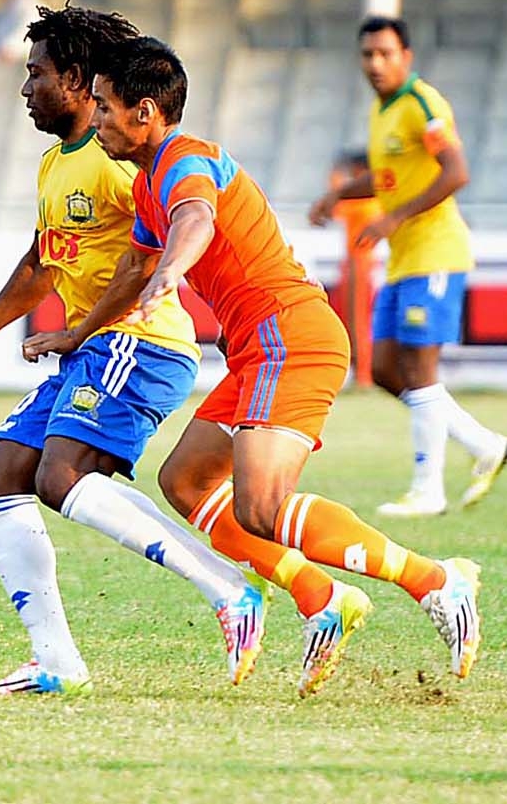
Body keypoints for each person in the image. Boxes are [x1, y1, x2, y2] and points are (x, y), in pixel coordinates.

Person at [79, 35, 481, 695]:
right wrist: (79, 331)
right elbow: (135, 266)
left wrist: (174, 270)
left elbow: (197, 219)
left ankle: (437, 580)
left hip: (289, 336)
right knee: (184, 480)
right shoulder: (151, 182)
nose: (95, 119)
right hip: (257, 349)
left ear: (144, 111)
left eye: (103, 107)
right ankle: (322, 597)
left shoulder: (187, 161)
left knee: (259, 507)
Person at [0, 6, 264, 697]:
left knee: (59, 476)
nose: (25, 89)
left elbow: (162, 244)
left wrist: (143, 301)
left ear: (79, 81)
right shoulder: (57, 163)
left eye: (37, 75)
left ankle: (229, 589)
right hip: (89, 347)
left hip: (137, 344)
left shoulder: (120, 161)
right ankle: (54, 657)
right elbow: (42, 260)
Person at [309, 16, 507, 517]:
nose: (375, 64)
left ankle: (428, 489)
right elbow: (387, 178)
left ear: (406, 57)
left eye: (384, 53)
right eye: (367, 55)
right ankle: (483, 442)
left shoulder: (423, 104)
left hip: (435, 255)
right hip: (404, 260)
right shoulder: (384, 111)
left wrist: (392, 218)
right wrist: (338, 194)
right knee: (380, 369)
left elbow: (456, 171)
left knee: (420, 372)